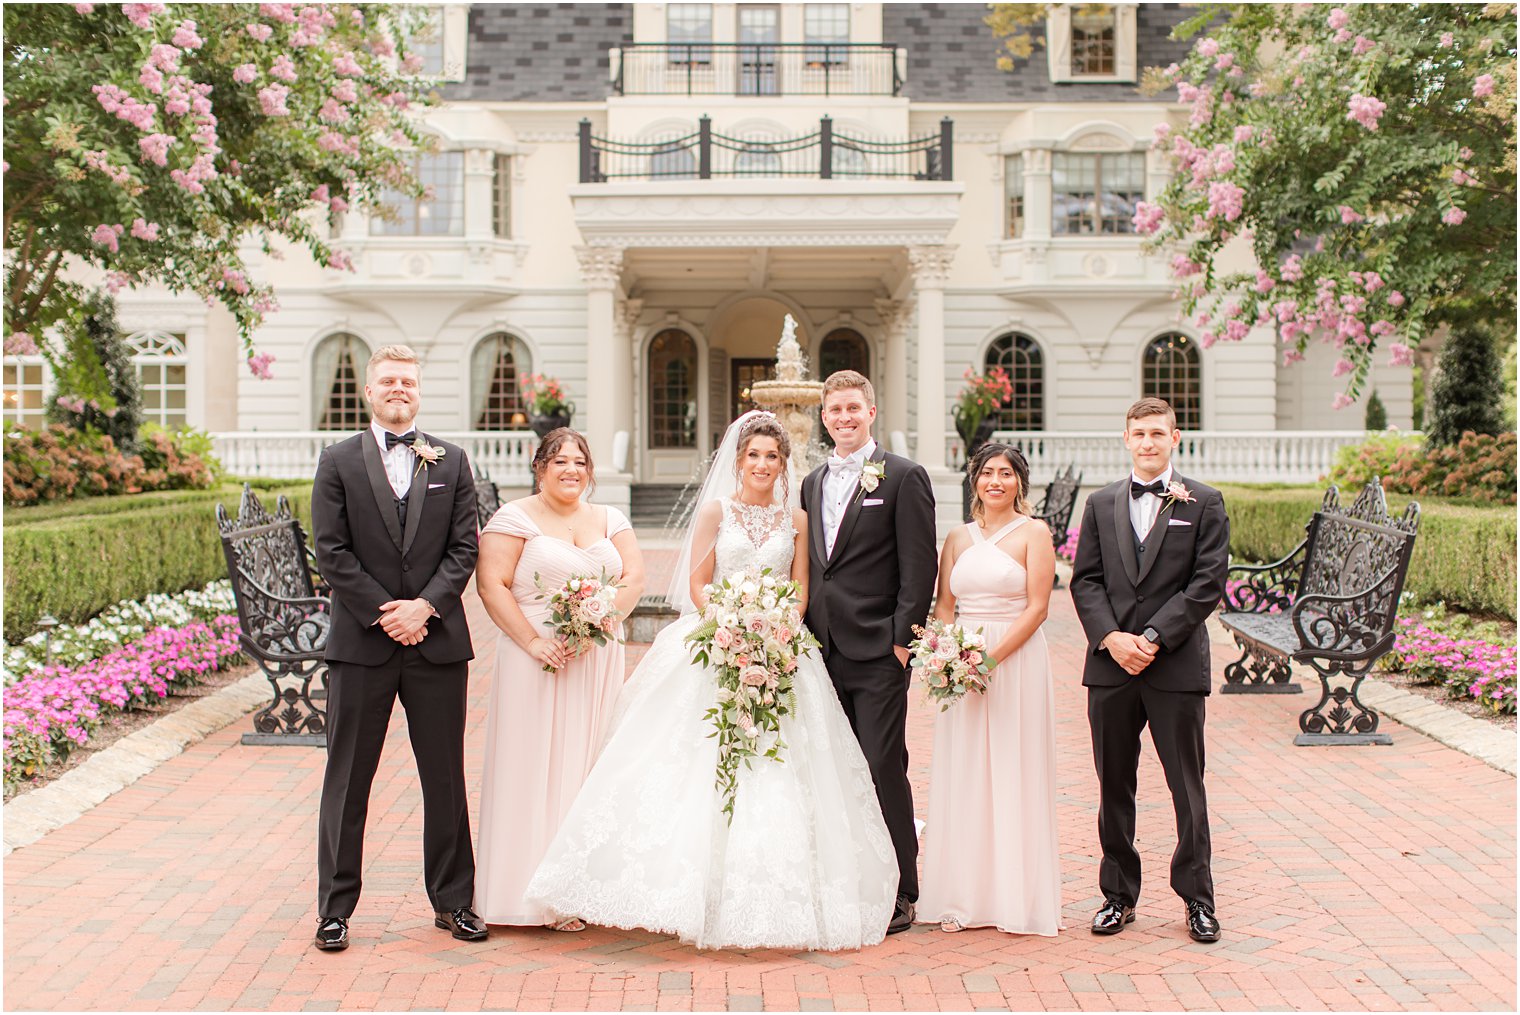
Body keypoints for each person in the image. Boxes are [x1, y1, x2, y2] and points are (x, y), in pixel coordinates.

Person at [525, 411, 898, 951]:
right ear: (739, 461)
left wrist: (777, 628)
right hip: (714, 641)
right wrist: (729, 623)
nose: (763, 465)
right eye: (754, 456)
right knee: (692, 759)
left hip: (781, 650)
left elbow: (799, 589)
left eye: (772, 456)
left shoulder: (795, 519)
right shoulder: (715, 513)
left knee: (783, 763)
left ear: (783, 464)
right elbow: (699, 584)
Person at [310, 344, 485, 952]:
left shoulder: (453, 461)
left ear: (419, 390)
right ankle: (334, 910)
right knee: (348, 778)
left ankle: (454, 902)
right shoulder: (337, 462)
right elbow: (330, 551)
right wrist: (387, 614)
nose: (398, 389)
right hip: (363, 645)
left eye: (407, 381)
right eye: (387, 381)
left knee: (444, 778)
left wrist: (426, 608)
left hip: (436, 645)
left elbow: (466, 548)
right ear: (368, 391)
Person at [1070, 397, 1229, 944]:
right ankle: (1117, 895)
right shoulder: (1100, 502)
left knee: (1187, 785)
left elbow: (1206, 583)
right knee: (1114, 783)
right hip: (1111, 667)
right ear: (1126, 438)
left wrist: (1154, 638)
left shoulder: (1204, 502)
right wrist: (1112, 638)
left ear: (1175, 438)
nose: (1148, 442)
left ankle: (1198, 900)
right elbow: (1085, 580)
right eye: (1139, 433)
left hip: (1174, 666)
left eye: (1158, 433)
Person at [473, 429, 645, 930]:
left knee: (587, 767)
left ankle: (579, 887)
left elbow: (633, 578)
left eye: (579, 462)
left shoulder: (611, 518)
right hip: (538, 661)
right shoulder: (514, 519)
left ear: (590, 470)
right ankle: (530, 893)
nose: (571, 470)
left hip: (596, 658)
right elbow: (492, 584)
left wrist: (599, 615)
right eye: (560, 461)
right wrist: (532, 640)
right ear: (540, 466)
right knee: (534, 770)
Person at [800, 371, 938, 935]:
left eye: (853, 408)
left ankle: (903, 888)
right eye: (834, 410)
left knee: (883, 767)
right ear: (824, 416)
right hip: (819, 651)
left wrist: (903, 641)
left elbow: (919, 565)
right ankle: (850, 877)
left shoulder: (905, 477)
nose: (843, 418)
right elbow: (815, 565)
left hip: (880, 650)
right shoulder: (810, 482)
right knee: (832, 770)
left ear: (872, 412)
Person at [917, 443, 1061, 936]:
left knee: (1012, 766)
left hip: (1014, 660)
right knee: (965, 770)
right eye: (986, 473)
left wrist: (991, 661)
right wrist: (949, 658)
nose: (994, 481)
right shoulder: (957, 537)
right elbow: (944, 604)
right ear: (974, 480)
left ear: (1020, 482)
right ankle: (963, 893)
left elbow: (1038, 607)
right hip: (961, 664)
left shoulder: (1034, 533)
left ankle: (1013, 898)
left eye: (1005, 474)